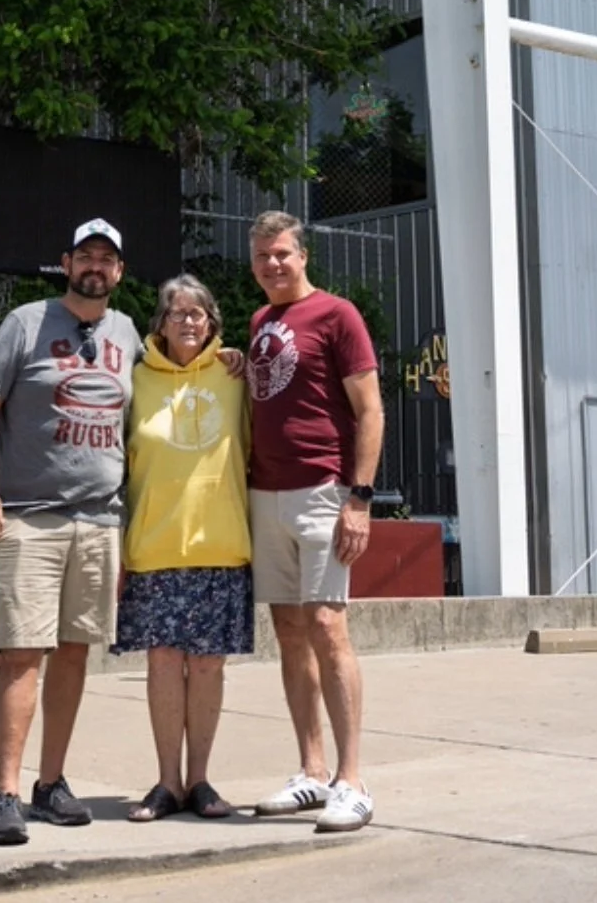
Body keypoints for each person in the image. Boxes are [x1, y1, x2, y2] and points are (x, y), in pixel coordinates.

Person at [0, 218, 142, 846]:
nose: (96, 267)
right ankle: (6, 793)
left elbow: (167, 390)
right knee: (20, 655)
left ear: (119, 272)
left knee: (73, 653)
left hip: (99, 521)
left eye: (108, 259)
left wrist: (224, 359)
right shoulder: (25, 323)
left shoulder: (127, 334)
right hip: (30, 517)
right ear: (66, 262)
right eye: (86, 256)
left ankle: (51, 784)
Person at [242, 210, 382, 834]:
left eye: (283, 253)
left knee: (328, 626)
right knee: (289, 630)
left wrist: (361, 497)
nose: (273, 264)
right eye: (263, 256)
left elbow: (370, 409)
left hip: (325, 491)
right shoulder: (259, 323)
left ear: (303, 257)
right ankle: (311, 772)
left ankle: (352, 782)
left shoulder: (338, 315)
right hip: (264, 494)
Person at [113, 274, 253, 823]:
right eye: (178, 313)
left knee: (209, 667)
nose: (189, 321)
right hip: (155, 546)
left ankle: (200, 781)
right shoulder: (136, 379)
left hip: (220, 544)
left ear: (213, 321)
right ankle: (167, 782)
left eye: (198, 313)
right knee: (163, 664)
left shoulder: (236, 376)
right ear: (161, 323)